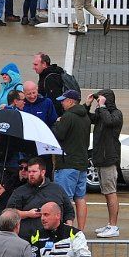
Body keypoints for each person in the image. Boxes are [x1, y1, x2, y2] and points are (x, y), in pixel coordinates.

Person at [52, 89, 93, 225]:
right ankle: (80, 231)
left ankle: (65, 229)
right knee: (80, 198)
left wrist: (57, 123)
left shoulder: (68, 116)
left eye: (63, 100)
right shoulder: (85, 117)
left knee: (64, 199)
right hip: (81, 163)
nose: (62, 103)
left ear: (70, 101)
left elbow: (59, 135)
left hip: (67, 164)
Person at [89, 90, 124, 238]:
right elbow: (90, 118)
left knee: (110, 192)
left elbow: (110, 121)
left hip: (109, 158)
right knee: (106, 192)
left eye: (100, 99)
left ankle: (114, 226)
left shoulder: (116, 114)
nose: (98, 102)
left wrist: (102, 106)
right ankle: (110, 224)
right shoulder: (101, 113)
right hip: (100, 158)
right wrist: (87, 105)